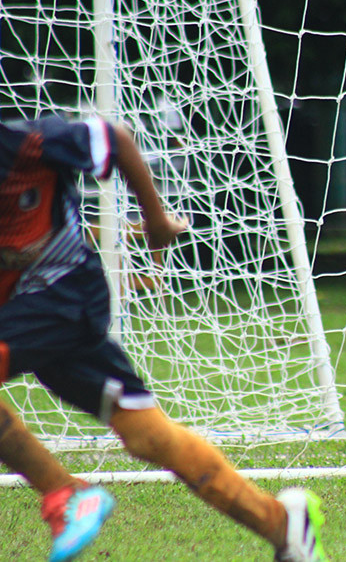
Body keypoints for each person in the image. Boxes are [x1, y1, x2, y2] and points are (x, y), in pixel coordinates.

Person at [0, 113, 328, 561]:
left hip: (65, 296)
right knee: (146, 436)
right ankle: (282, 523)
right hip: (27, 313)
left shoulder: (26, 144)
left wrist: (154, 222)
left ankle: (64, 494)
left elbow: (114, 138)